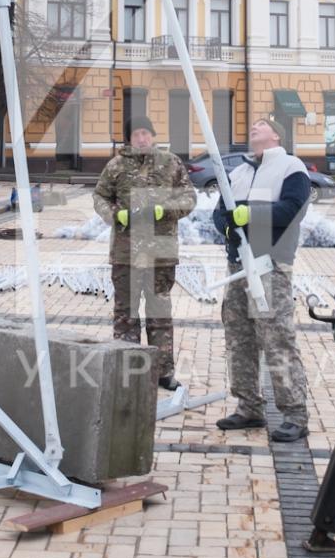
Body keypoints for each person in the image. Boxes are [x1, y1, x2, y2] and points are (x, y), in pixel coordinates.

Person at [212, 116, 312, 442]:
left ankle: (295, 414)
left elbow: (292, 209)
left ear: (276, 134)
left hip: (270, 265)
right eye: (251, 124)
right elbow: (218, 213)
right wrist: (228, 225)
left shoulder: (290, 167)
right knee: (239, 337)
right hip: (238, 265)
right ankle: (248, 406)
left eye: (261, 124)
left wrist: (250, 214)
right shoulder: (238, 172)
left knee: (276, 338)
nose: (253, 126)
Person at [92, 121, 193, 392]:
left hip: (161, 254)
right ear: (129, 139)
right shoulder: (116, 166)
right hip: (126, 253)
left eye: (146, 132)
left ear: (153, 135)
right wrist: (115, 215)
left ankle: (163, 372)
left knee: (160, 314)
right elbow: (99, 196)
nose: (141, 138)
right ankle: (128, 371)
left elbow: (188, 198)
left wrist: (166, 209)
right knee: (126, 314)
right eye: (136, 134)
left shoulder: (170, 163)